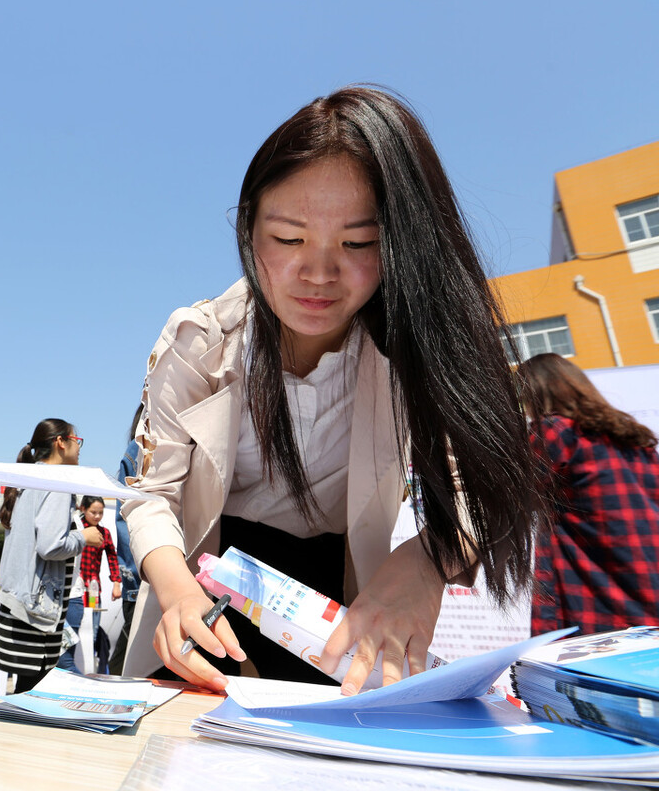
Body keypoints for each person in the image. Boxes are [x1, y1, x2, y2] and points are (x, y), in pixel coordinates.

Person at [120, 86, 544, 695]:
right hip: (203, 584)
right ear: (248, 227)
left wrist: (426, 562)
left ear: (399, 244)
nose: (319, 273)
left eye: (358, 243)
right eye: (288, 239)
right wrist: (177, 591)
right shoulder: (201, 338)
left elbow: (480, 484)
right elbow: (150, 495)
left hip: (337, 604)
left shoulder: (413, 354)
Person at [516, 353, 659, 636]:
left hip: (599, 593)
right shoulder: (634, 436)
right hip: (648, 578)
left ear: (534, 393)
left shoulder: (554, 432)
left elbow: (513, 495)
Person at [0, 419, 103, 692]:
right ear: (60, 442)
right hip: (37, 608)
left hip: (18, 601)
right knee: (33, 692)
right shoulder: (57, 482)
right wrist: (84, 537)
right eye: (76, 440)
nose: (79, 447)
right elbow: (51, 545)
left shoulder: (28, 478)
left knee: (23, 690)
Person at [56, 496, 120, 673]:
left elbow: (112, 557)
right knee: (70, 637)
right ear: (83, 509)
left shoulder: (103, 532)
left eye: (101, 513)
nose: (97, 516)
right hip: (73, 588)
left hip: (93, 590)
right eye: (93, 512)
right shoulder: (76, 527)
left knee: (91, 633)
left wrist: (116, 582)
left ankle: (88, 669)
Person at [108, 405, 144, 676]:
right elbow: (127, 521)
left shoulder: (135, 451)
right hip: (146, 580)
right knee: (131, 667)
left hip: (141, 579)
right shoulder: (139, 452)